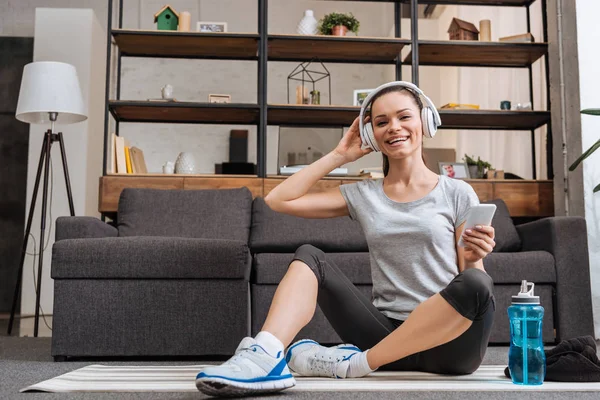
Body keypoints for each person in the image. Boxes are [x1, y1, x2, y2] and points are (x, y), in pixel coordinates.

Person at [196, 83, 496, 397]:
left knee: (477, 282)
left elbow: (471, 274)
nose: (394, 127)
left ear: (425, 121)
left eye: (404, 117)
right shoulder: (363, 195)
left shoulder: (457, 192)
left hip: (450, 344)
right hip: (383, 335)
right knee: (309, 255)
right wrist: (340, 155)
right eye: (381, 122)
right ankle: (266, 355)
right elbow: (278, 200)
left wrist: (475, 256)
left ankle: (354, 364)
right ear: (371, 135)